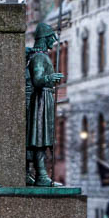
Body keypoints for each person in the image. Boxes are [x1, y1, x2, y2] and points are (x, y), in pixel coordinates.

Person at [25, 22, 64, 187]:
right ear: (44, 38)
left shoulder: (40, 56)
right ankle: (41, 174)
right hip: (41, 100)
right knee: (40, 138)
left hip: (45, 98)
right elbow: (38, 80)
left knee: (42, 136)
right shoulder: (40, 57)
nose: (53, 42)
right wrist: (50, 78)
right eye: (51, 38)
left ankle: (36, 172)